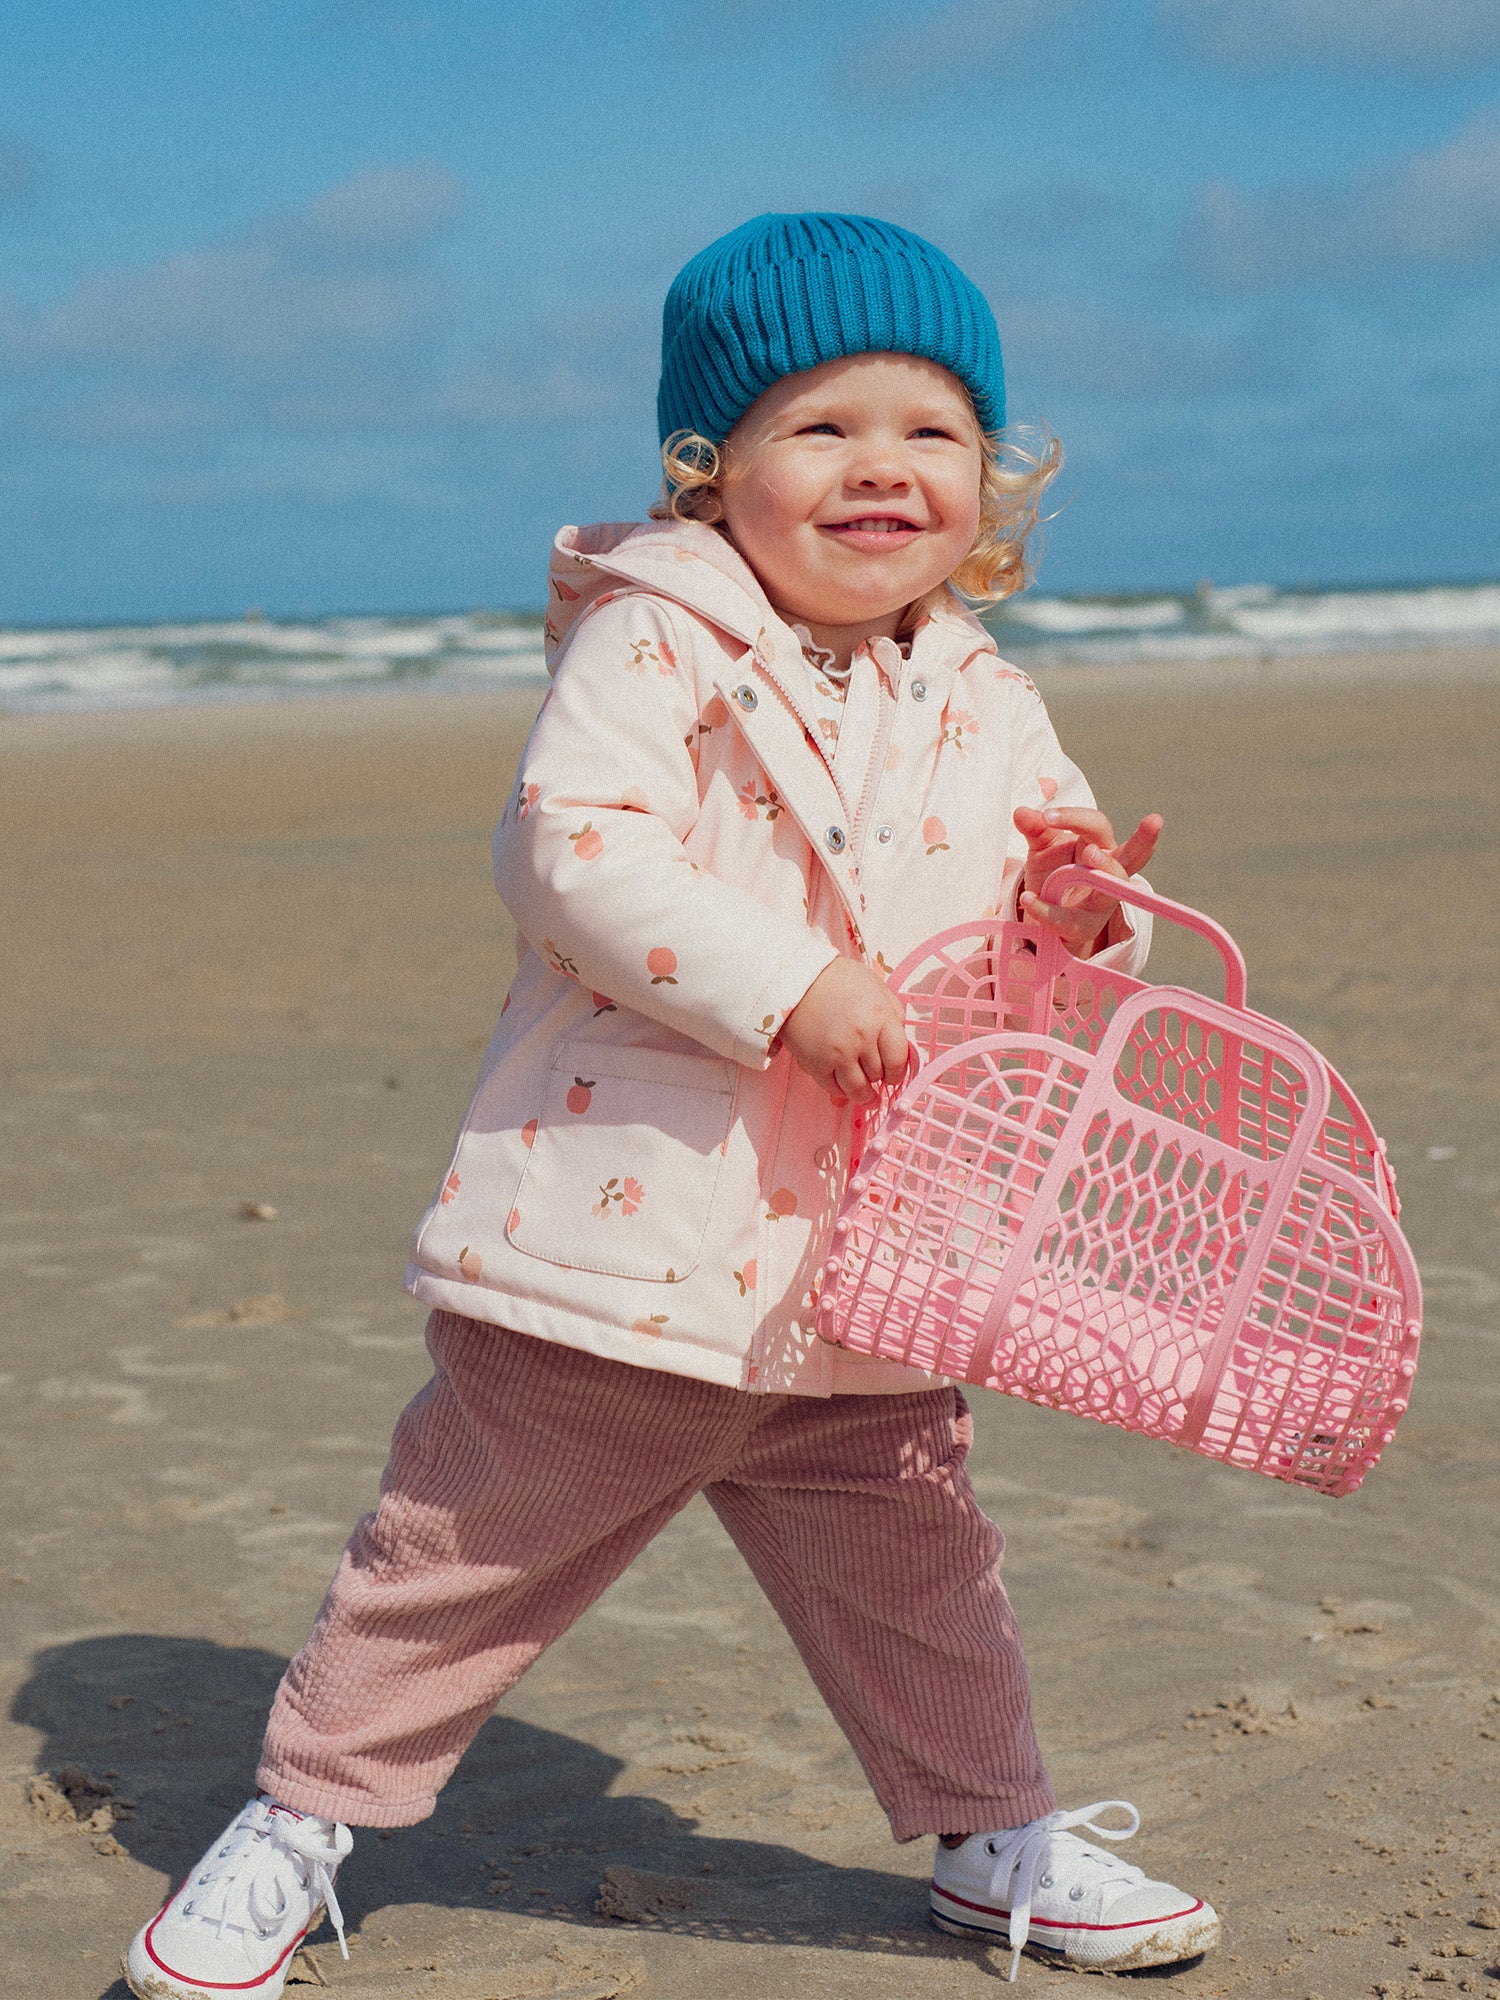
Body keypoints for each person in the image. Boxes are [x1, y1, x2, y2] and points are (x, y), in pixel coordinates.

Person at [125, 212, 1218, 1999]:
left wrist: (1077, 916)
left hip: (866, 1263)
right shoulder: (657, 641)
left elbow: (1016, 979)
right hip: (626, 1237)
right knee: (455, 1558)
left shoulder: (990, 696)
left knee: (926, 1573)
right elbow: (571, 853)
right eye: (821, 428)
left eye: (932, 431)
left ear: (991, 477)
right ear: (714, 472)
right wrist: (787, 989)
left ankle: (991, 1835)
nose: (882, 467)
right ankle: (302, 1821)